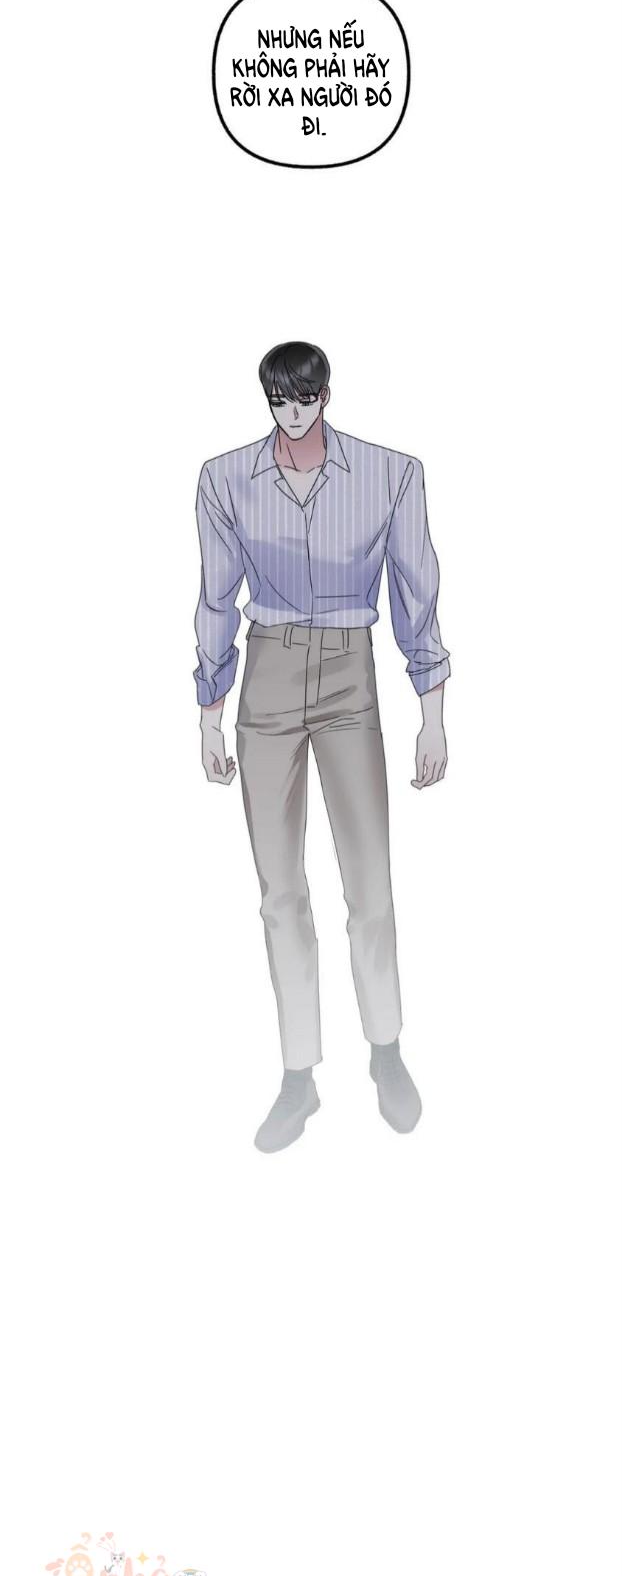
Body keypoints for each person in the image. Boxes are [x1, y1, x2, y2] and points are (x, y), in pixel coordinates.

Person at [195, 341, 450, 1150]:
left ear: (326, 395)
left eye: (304, 398)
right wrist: (208, 708)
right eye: (279, 400)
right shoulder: (225, 479)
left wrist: (432, 711)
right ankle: (298, 1073)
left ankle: (387, 1049)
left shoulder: (389, 474)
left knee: (368, 879)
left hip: (349, 677)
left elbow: (416, 590)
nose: (293, 412)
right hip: (266, 673)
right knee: (280, 890)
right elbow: (215, 594)